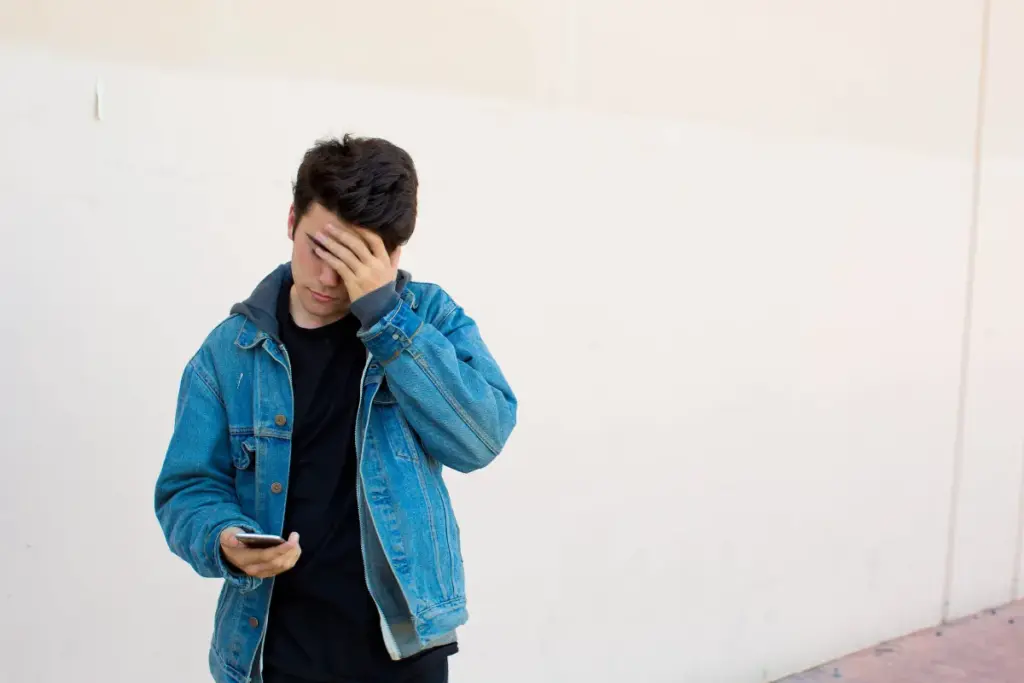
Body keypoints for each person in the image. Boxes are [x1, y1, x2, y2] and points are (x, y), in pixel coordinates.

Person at [154, 134, 517, 683]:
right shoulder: (230, 351)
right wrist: (224, 539)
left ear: (392, 255)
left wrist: (386, 316)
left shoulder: (429, 318)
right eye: (318, 248)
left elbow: (481, 440)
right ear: (292, 220)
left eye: (352, 258)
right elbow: (187, 488)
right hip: (270, 646)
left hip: (403, 650)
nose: (328, 278)